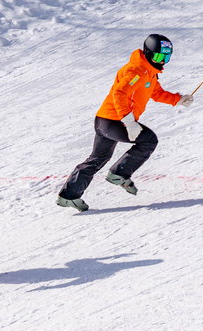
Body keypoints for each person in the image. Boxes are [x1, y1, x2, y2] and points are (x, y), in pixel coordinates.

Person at [55, 34, 192, 211]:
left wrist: (178, 99)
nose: (162, 61)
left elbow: (156, 93)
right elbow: (120, 93)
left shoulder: (149, 72)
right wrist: (128, 121)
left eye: (166, 57)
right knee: (148, 140)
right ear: (148, 53)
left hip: (105, 120)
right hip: (115, 121)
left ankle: (69, 195)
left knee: (98, 158)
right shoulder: (136, 71)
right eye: (159, 56)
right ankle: (119, 173)